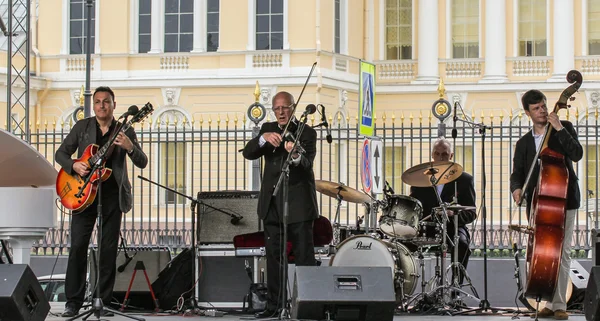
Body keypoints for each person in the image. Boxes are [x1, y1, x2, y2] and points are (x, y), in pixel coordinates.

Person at [56, 86, 148, 317]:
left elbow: (142, 161)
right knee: (77, 246)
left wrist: (129, 147)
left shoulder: (124, 130)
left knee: (107, 250)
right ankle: (73, 302)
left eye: (106, 101)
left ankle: (102, 301)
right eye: (97, 102)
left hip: (111, 196)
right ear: (93, 105)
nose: (101, 105)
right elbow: (60, 154)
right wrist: (74, 165)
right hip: (83, 194)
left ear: (114, 105)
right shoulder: (82, 127)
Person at [242, 91, 319, 318]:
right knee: (274, 257)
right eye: (277, 109)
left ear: (293, 108)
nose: (281, 112)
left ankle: (308, 306)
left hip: (299, 205)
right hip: (272, 204)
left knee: (304, 257)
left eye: (285, 108)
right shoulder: (268, 129)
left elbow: (306, 164)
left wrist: (293, 153)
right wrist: (264, 138)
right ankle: (274, 306)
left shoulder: (306, 132)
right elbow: (249, 152)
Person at [510, 89, 582, 320]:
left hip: (564, 200)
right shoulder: (523, 143)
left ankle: (560, 303)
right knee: (541, 253)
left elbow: (577, 154)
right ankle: (545, 302)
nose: (542, 111)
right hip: (538, 203)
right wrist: (517, 189)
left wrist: (559, 129)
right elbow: (517, 174)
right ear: (528, 113)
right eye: (536, 108)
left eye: (543, 106)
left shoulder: (564, 128)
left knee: (562, 252)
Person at [409, 138, 477, 288]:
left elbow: (471, 212)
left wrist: (455, 214)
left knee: (463, 245)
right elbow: (413, 207)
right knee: (401, 244)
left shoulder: (464, 180)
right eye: (437, 154)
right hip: (427, 227)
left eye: (444, 155)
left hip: (453, 228)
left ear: (451, 156)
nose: (440, 158)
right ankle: (404, 289)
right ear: (432, 155)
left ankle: (455, 288)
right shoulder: (420, 180)